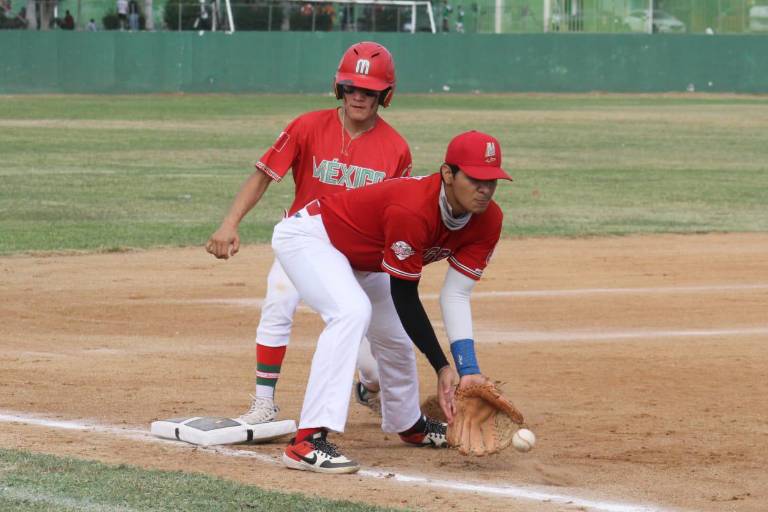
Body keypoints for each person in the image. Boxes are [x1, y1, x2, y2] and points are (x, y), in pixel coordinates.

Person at [274, 130, 511, 473]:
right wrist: (443, 367)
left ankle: (410, 426)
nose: (485, 189)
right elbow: (404, 294)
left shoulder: (489, 219)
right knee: (351, 312)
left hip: (364, 256)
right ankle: (306, 441)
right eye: (475, 179)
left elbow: (455, 294)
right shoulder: (413, 209)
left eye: (492, 180)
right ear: (448, 174)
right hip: (312, 237)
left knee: (395, 339)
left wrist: (468, 370)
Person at [205, 41, 412, 426]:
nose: (359, 97)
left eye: (369, 91)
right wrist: (229, 223)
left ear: (385, 95)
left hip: (356, 254)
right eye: (351, 88)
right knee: (278, 301)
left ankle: (369, 384)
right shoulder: (307, 126)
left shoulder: (396, 148)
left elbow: (396, 212)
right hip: (304, 240)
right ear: (339, 88)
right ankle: (264, 403)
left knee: (369, 347)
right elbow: (264, 176)